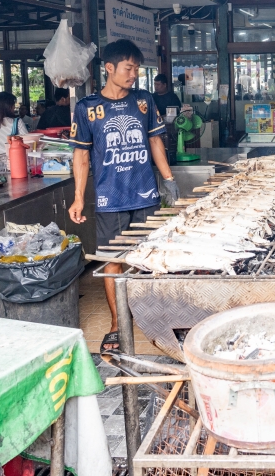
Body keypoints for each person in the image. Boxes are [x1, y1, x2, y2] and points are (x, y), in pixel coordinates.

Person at [68, 39, 180, 355]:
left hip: (145, 195)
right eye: (128, 68)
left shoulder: (144, 100)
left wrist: (169, 180)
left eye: (137, 69)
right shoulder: (87, 108)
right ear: (109, 68)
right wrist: (78, 197)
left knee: (150, 261)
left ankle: (157, 318)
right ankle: (118, 324)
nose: (134, 74)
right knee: (113, 262)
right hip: (110, 198)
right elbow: (81, 157)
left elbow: (156, 142)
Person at [0, 91, 28, 162]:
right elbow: (27, 142)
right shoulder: (17, 122)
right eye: (13, 104)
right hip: (13, 161)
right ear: (7, 106)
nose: (14, 107)